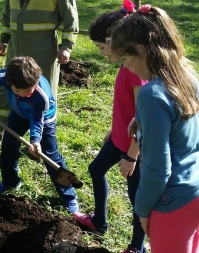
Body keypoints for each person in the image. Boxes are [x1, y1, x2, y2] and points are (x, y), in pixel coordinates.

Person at [110, 5, 199, 253]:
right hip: (195, 190)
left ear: (141, 50)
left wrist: (142, 209)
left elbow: (158, 168)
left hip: (171, 202)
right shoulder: (188, 77)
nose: (125, 67)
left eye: (126, 59)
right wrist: (141, 119)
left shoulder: (151, 95)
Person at [73, 1, 148, 252]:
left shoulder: (137, 73)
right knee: (95, 169)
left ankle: (137, 247)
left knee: (136, 200)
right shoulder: (125, 65)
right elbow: (125, 110)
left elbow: (142, 119)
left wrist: (131, 156)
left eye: (102, 47)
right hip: (118, 138)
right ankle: (99, 221)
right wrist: (114, 128)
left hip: (134, 149)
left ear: (116, 41)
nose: (101, 52)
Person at [0, 0, 79, 150]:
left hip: (42, 48)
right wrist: (4, 39)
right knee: (6, 92)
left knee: (43, 96)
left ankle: (42, 146)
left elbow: (71, 17)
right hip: (15, 47)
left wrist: (66, 46)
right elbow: (7, 14)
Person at [0, 56, 79, 214]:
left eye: (28, 90)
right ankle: (11, 181)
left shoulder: (41, 96)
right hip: (18, 114)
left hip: (44, 119)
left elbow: (37, 120)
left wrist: (35, 141)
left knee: (50, 154)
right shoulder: (7, 77)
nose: (23, 94)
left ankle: (68, 196)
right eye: (17, 91)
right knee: (8, 145)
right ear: (10, 82)